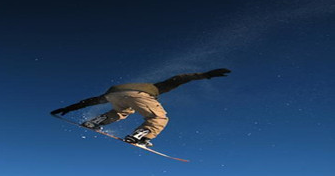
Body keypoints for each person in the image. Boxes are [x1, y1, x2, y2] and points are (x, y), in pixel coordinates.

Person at [51, 68, 231, 147]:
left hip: (113, 93)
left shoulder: (134, 87)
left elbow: (93, 100)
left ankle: (93, 122)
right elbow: (180, 78)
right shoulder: (157, 88)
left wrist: (69, 108)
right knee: (158, 118)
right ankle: (139, 136)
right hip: (137, 95)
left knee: (123, 110)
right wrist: (206, 75)